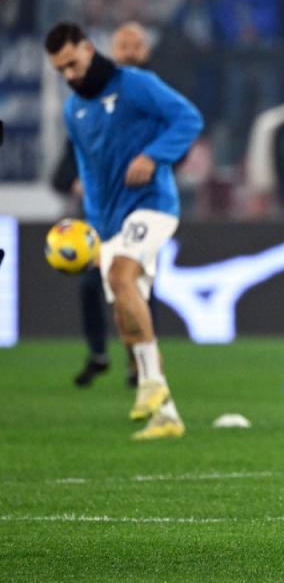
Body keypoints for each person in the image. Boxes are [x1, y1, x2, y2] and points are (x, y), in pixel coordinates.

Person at [45, 22, 203, 440]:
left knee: (121, 278)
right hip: (110, 221)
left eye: (73, 64)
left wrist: (154, 156)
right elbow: (89, 173)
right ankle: (165, 413)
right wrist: (95, 229)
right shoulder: (73, 110)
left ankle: (150, 385)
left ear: (88, 48)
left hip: (152, 206)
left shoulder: (134, 84)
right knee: (125, 311)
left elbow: (188, 118)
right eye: (61, 70)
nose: (70, 76)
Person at [53, 22, 157, 390]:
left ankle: (139, 362)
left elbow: (180, 144)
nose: (129, 50)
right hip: (98, 213)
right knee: (91, 285)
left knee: (137, 285)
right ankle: (100, 354)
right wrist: (75, 179)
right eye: (123, 44)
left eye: (136, 44)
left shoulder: (152, 97)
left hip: (140, 207)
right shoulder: (88, 102)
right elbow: (62, 169)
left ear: (145, 52)